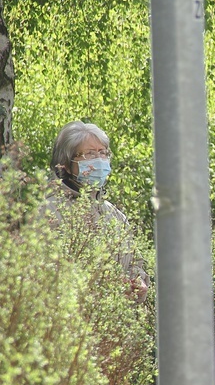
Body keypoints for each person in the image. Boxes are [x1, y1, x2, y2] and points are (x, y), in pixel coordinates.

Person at [46, 120, 148, 303]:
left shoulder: (115, 215)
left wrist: (138, 283)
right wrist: (106, 290)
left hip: (117, 327)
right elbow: (46, 278)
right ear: (67, 165)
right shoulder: (50, 211)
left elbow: (135, 264)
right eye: (90, 154)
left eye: (103, 153)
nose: (99, 160)